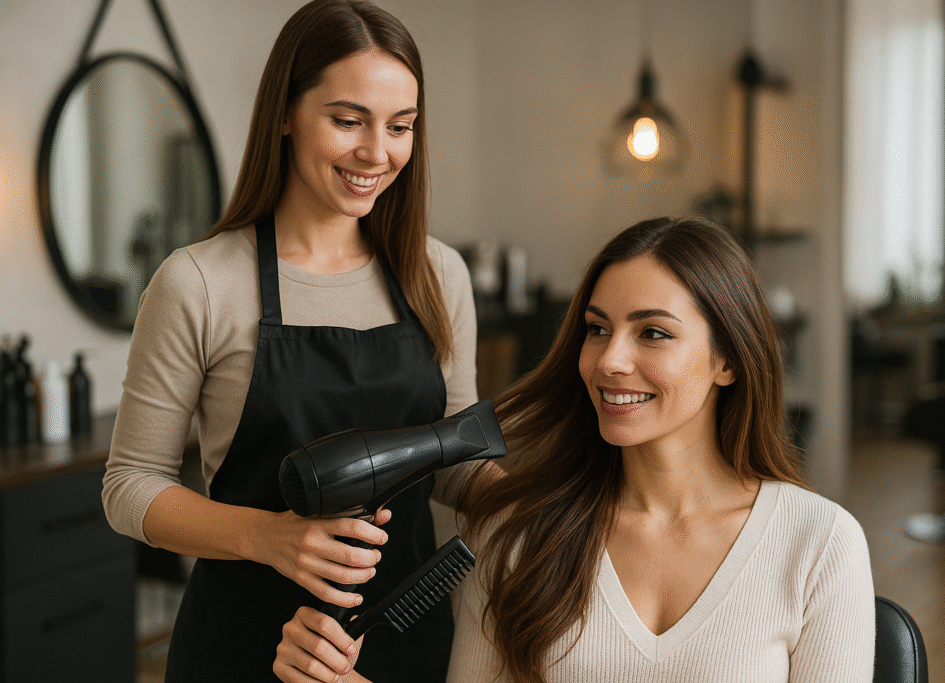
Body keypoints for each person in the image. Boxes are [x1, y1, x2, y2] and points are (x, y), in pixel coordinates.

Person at [278, 216, 876, 682]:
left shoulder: (819, 545)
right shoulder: (518, 535)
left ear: (728, 360)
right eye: (597, 329)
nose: (610, 360)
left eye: (653, 333)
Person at [101, 1, 478, 681]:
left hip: (402, 641)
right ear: (284, 113)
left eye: (400, 126)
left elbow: (454, 459)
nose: (377, 153)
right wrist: (268, 536)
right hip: (243, 647)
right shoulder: (199, 283)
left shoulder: (437, 273)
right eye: (347, 120)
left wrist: (553, 500)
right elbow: (130, 485)